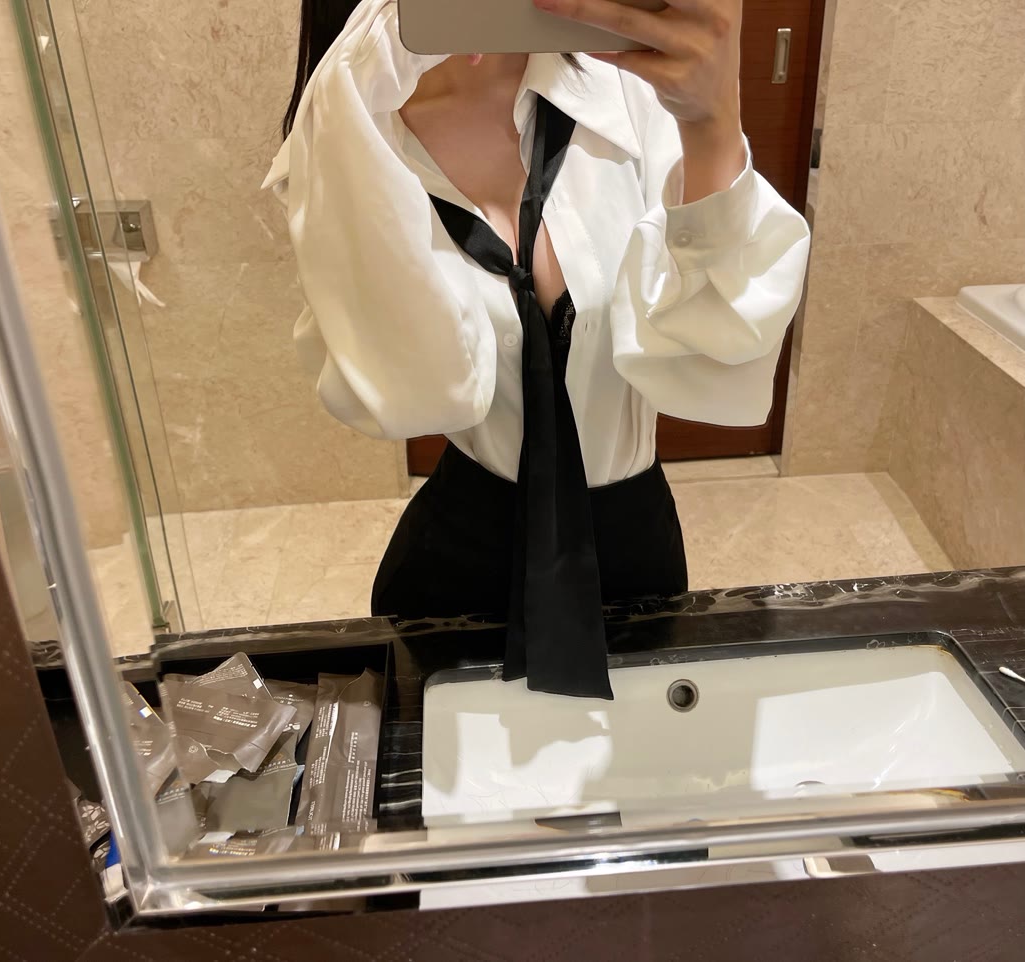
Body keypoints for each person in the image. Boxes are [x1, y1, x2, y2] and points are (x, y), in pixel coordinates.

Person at [264, 0, 811, 697]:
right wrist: (374, 62)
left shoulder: (622, 88)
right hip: (457, 567)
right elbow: (411, 391)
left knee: (640, 753)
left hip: (635, 551)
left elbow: (720, 347)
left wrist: (712, 126)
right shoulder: (353, 130)